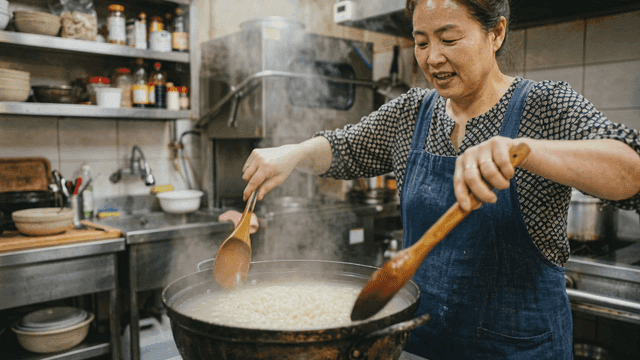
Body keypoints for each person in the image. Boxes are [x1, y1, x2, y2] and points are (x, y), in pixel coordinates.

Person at [241, 0, 640, 358]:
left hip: (519, 346)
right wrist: (292, 153)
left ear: (496, 32)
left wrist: (525, 149)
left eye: (449, 39)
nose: (432, 58)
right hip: (423, 341)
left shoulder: (546, 104)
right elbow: (346, 147)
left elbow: (630, 169)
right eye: (421, 42)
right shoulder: (413, 111)